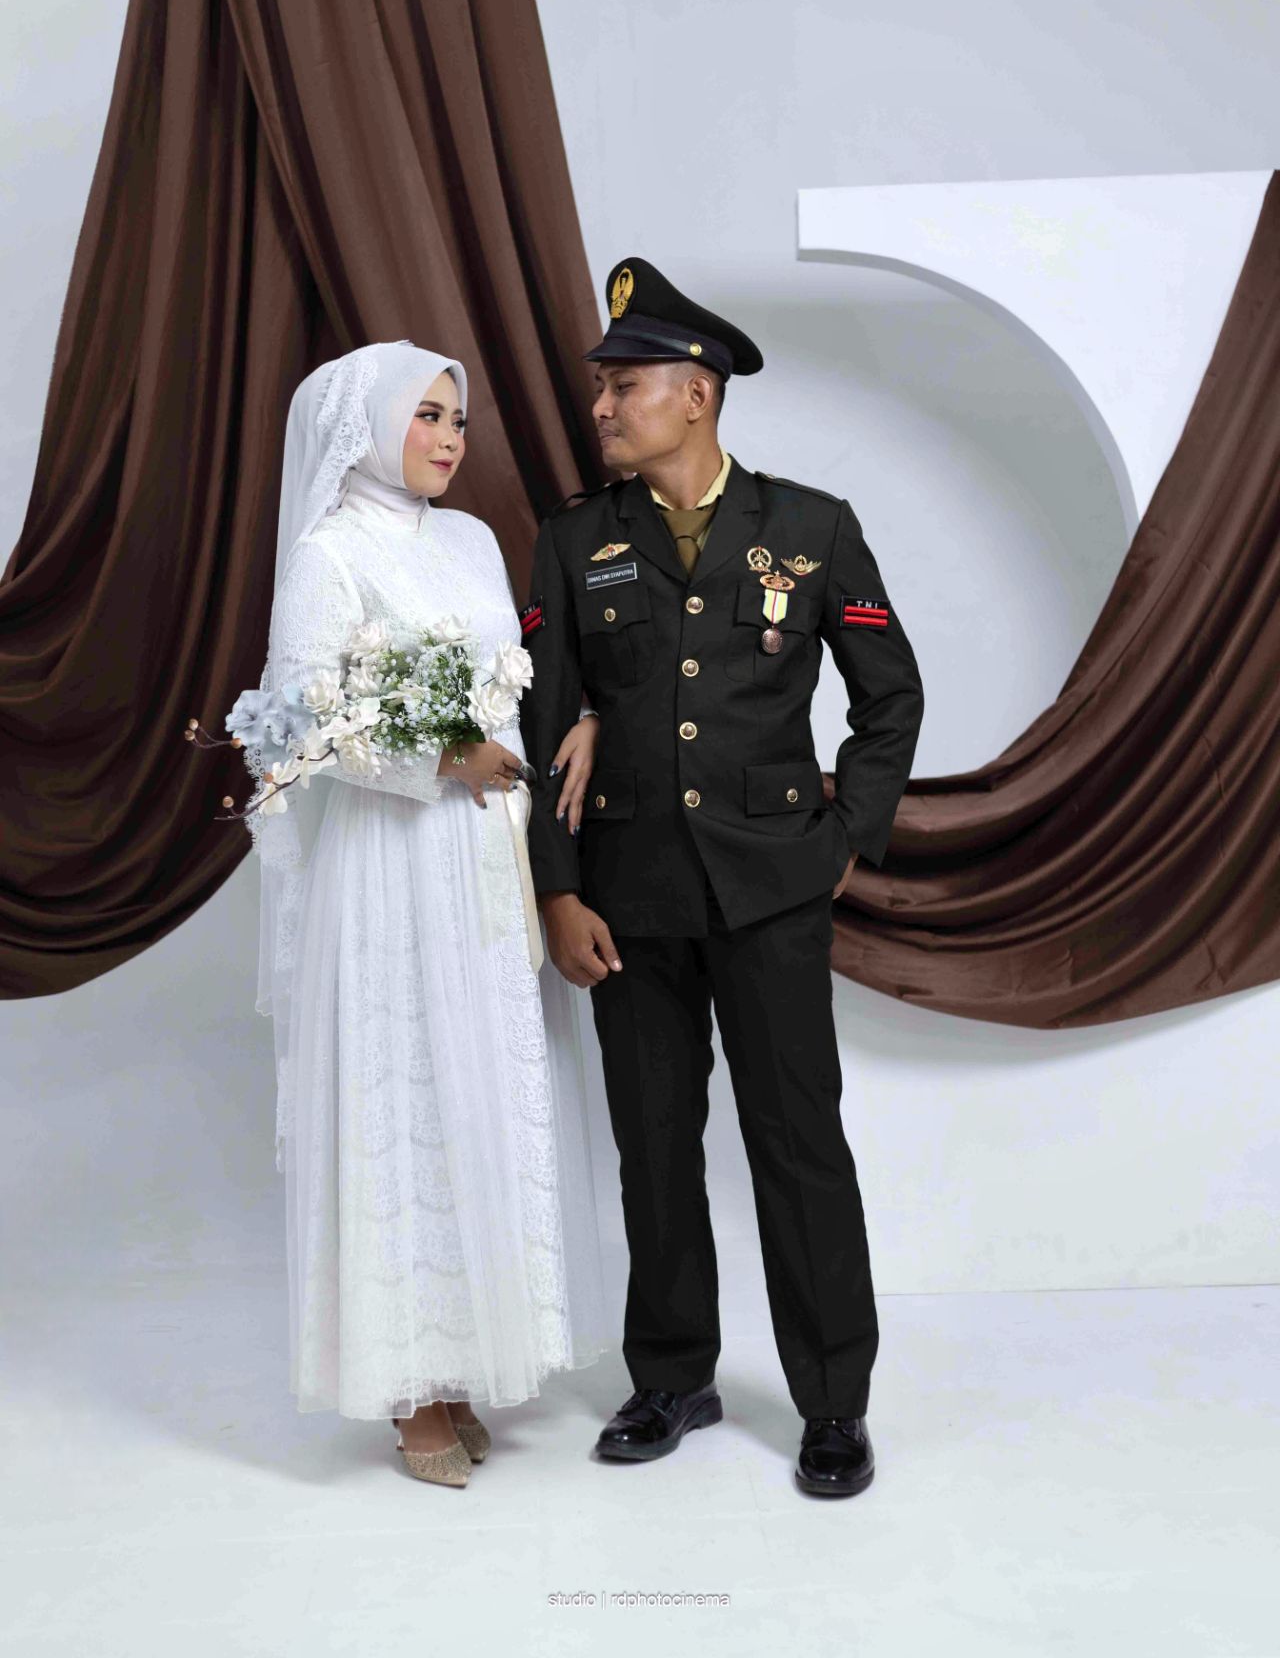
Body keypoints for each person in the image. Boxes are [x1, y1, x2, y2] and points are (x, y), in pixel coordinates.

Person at [518, 259, 924, 1499]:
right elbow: (545, 723)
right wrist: (556, 889)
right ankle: (670, 1377)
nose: (601, 406)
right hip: (625, 896)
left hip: (771, 893)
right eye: (601, 388)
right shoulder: (573, 539)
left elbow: (888, 698)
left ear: (694, 394)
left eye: (623, 386)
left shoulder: (809, 527)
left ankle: (833, 1402)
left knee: (797, 1144)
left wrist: (841, 840)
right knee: (652, 1145)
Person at [249, 338, 610, 1488]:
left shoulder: (472, 542)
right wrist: (439, 754)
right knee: (403, 1093)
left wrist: (567, 722)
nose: (451, 438)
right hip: (391, 865)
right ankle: (407, 1392)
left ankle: (459, 1363)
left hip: (482, 858)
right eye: (427, 415)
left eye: (458, 419)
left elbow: (519, 678)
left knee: (478, 1088)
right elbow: (302, 726)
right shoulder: (327, 555)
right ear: (366, 427)